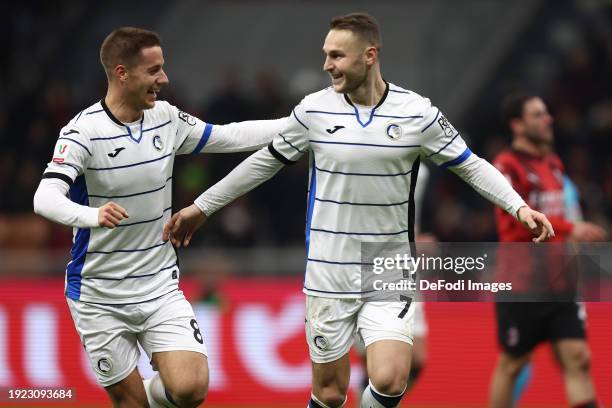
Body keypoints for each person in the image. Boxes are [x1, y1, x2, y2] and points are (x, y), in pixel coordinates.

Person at [164, 14, 554, 408]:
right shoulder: (315, 110)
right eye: (326, 55)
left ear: (369, 55)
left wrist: (518, 207)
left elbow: (470, 164)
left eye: (336, 55)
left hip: (389, 270)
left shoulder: (417, 113)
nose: (327, 65)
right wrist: (203, 206)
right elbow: (264, 162)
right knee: (331, 394)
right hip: (328, 273)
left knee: (390, 377)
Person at [33, 27, 285, 408]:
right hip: (98, 295)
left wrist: (303, 124)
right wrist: (92, 215)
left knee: (190, 389)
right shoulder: (83, 133)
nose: (163, 79)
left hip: (158, 287)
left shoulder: (165, 119)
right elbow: (44, 198)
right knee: (129, 402)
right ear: (122, 73)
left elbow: (231, 136)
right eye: (154, 70)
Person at [489, 92, 606, 408]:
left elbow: (564, 218)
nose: (548, 119)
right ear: (517, 124)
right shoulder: (505, 167)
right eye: (538, 114)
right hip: (522, 286)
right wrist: (570, 228)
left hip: (560, 286)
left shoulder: (553, 164)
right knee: (512, 364)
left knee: (578, 358)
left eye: (547, 113)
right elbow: (514, 224)